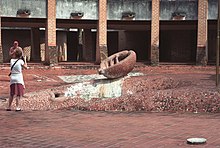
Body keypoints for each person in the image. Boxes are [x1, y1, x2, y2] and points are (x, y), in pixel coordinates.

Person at [7, 47, 27, 111]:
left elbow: (12, 55)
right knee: (18, 93)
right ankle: (17, 107)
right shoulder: (21, 61)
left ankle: (9, 107)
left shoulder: (11, 61)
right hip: (18, 78)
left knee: (12, 93)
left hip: (12, 77)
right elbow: (26, 67)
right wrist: (25, 60)